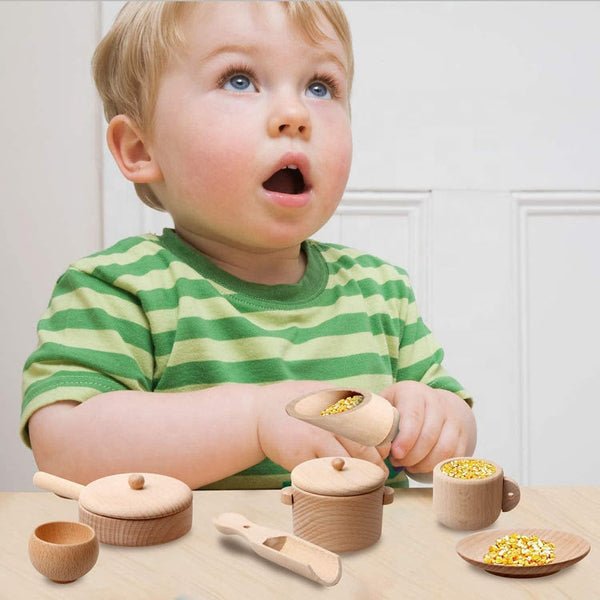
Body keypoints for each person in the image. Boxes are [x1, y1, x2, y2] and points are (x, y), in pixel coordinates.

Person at [21, 1, 476, 489]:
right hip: (188, 566)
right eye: (239, 80)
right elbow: (63, 445)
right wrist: (257, 419)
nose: (295, 114)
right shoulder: (116, 290)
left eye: (320, 87)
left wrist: (439, 422)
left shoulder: (381, 293)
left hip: (363, 562)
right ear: (141, 148)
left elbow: (457, 430)